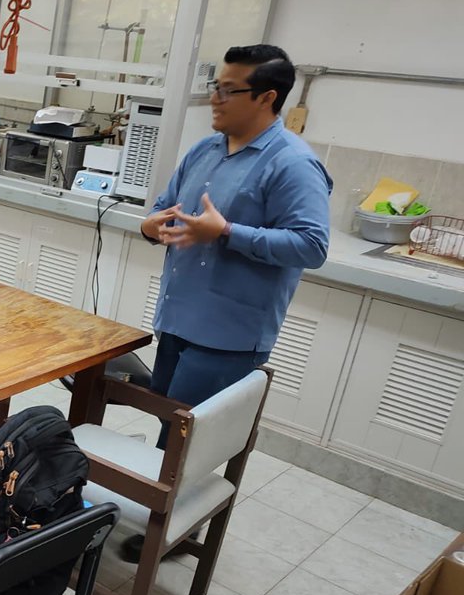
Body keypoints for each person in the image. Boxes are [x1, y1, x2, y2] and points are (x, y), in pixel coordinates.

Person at [124, 43, 331, 562]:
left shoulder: (293, 164)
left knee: (192, 441)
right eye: (214, 86)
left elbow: (312, 245)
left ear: (266, 97)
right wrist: (150, 226)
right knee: (172, 426)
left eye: (226, 90)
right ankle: (162, 517)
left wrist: (230, 232)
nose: (213, 99)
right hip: (178, 319)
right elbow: (161, 211)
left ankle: (168, 535)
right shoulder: (206, 150)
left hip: (228, 333)